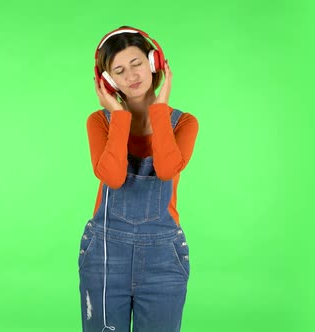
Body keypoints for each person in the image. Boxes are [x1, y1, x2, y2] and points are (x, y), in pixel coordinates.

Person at [78, 26, 199, 332]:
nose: (131, 75)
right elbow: (113, 177)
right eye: (118, 71)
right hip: (105, 256)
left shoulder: (183, 123)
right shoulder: (99, 122)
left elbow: (168, 169)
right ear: (107, 81)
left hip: (163, 259)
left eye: (137, 63)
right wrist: (118, 114)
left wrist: (159, 110)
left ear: (154, 63)